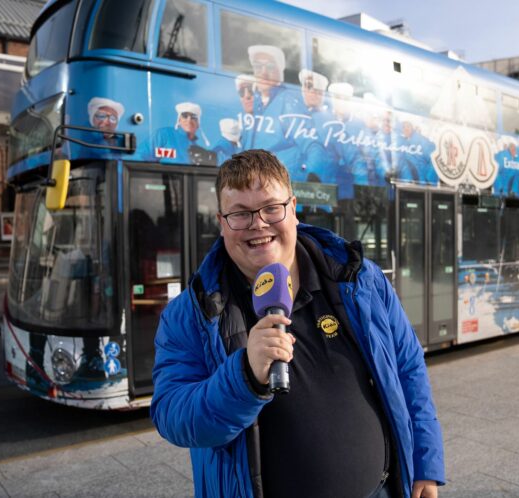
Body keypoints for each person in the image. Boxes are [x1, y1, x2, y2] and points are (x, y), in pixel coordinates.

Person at [151, 149, 445, 498]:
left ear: (293, 207)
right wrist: (244, 376)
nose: (258, 224)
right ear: (221, 221)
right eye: (240, 214)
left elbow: (408, 368)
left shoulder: (360, 279)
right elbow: (173, 415)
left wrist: (424, 463)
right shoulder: (190, 312)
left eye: (271, 208)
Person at [137, 102, 215, 165]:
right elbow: (140, 156)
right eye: (185, 116)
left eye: (193, 117)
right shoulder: (164, 134)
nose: (189, 120)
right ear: (179, 120)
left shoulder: (198, 149)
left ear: (198, 123)